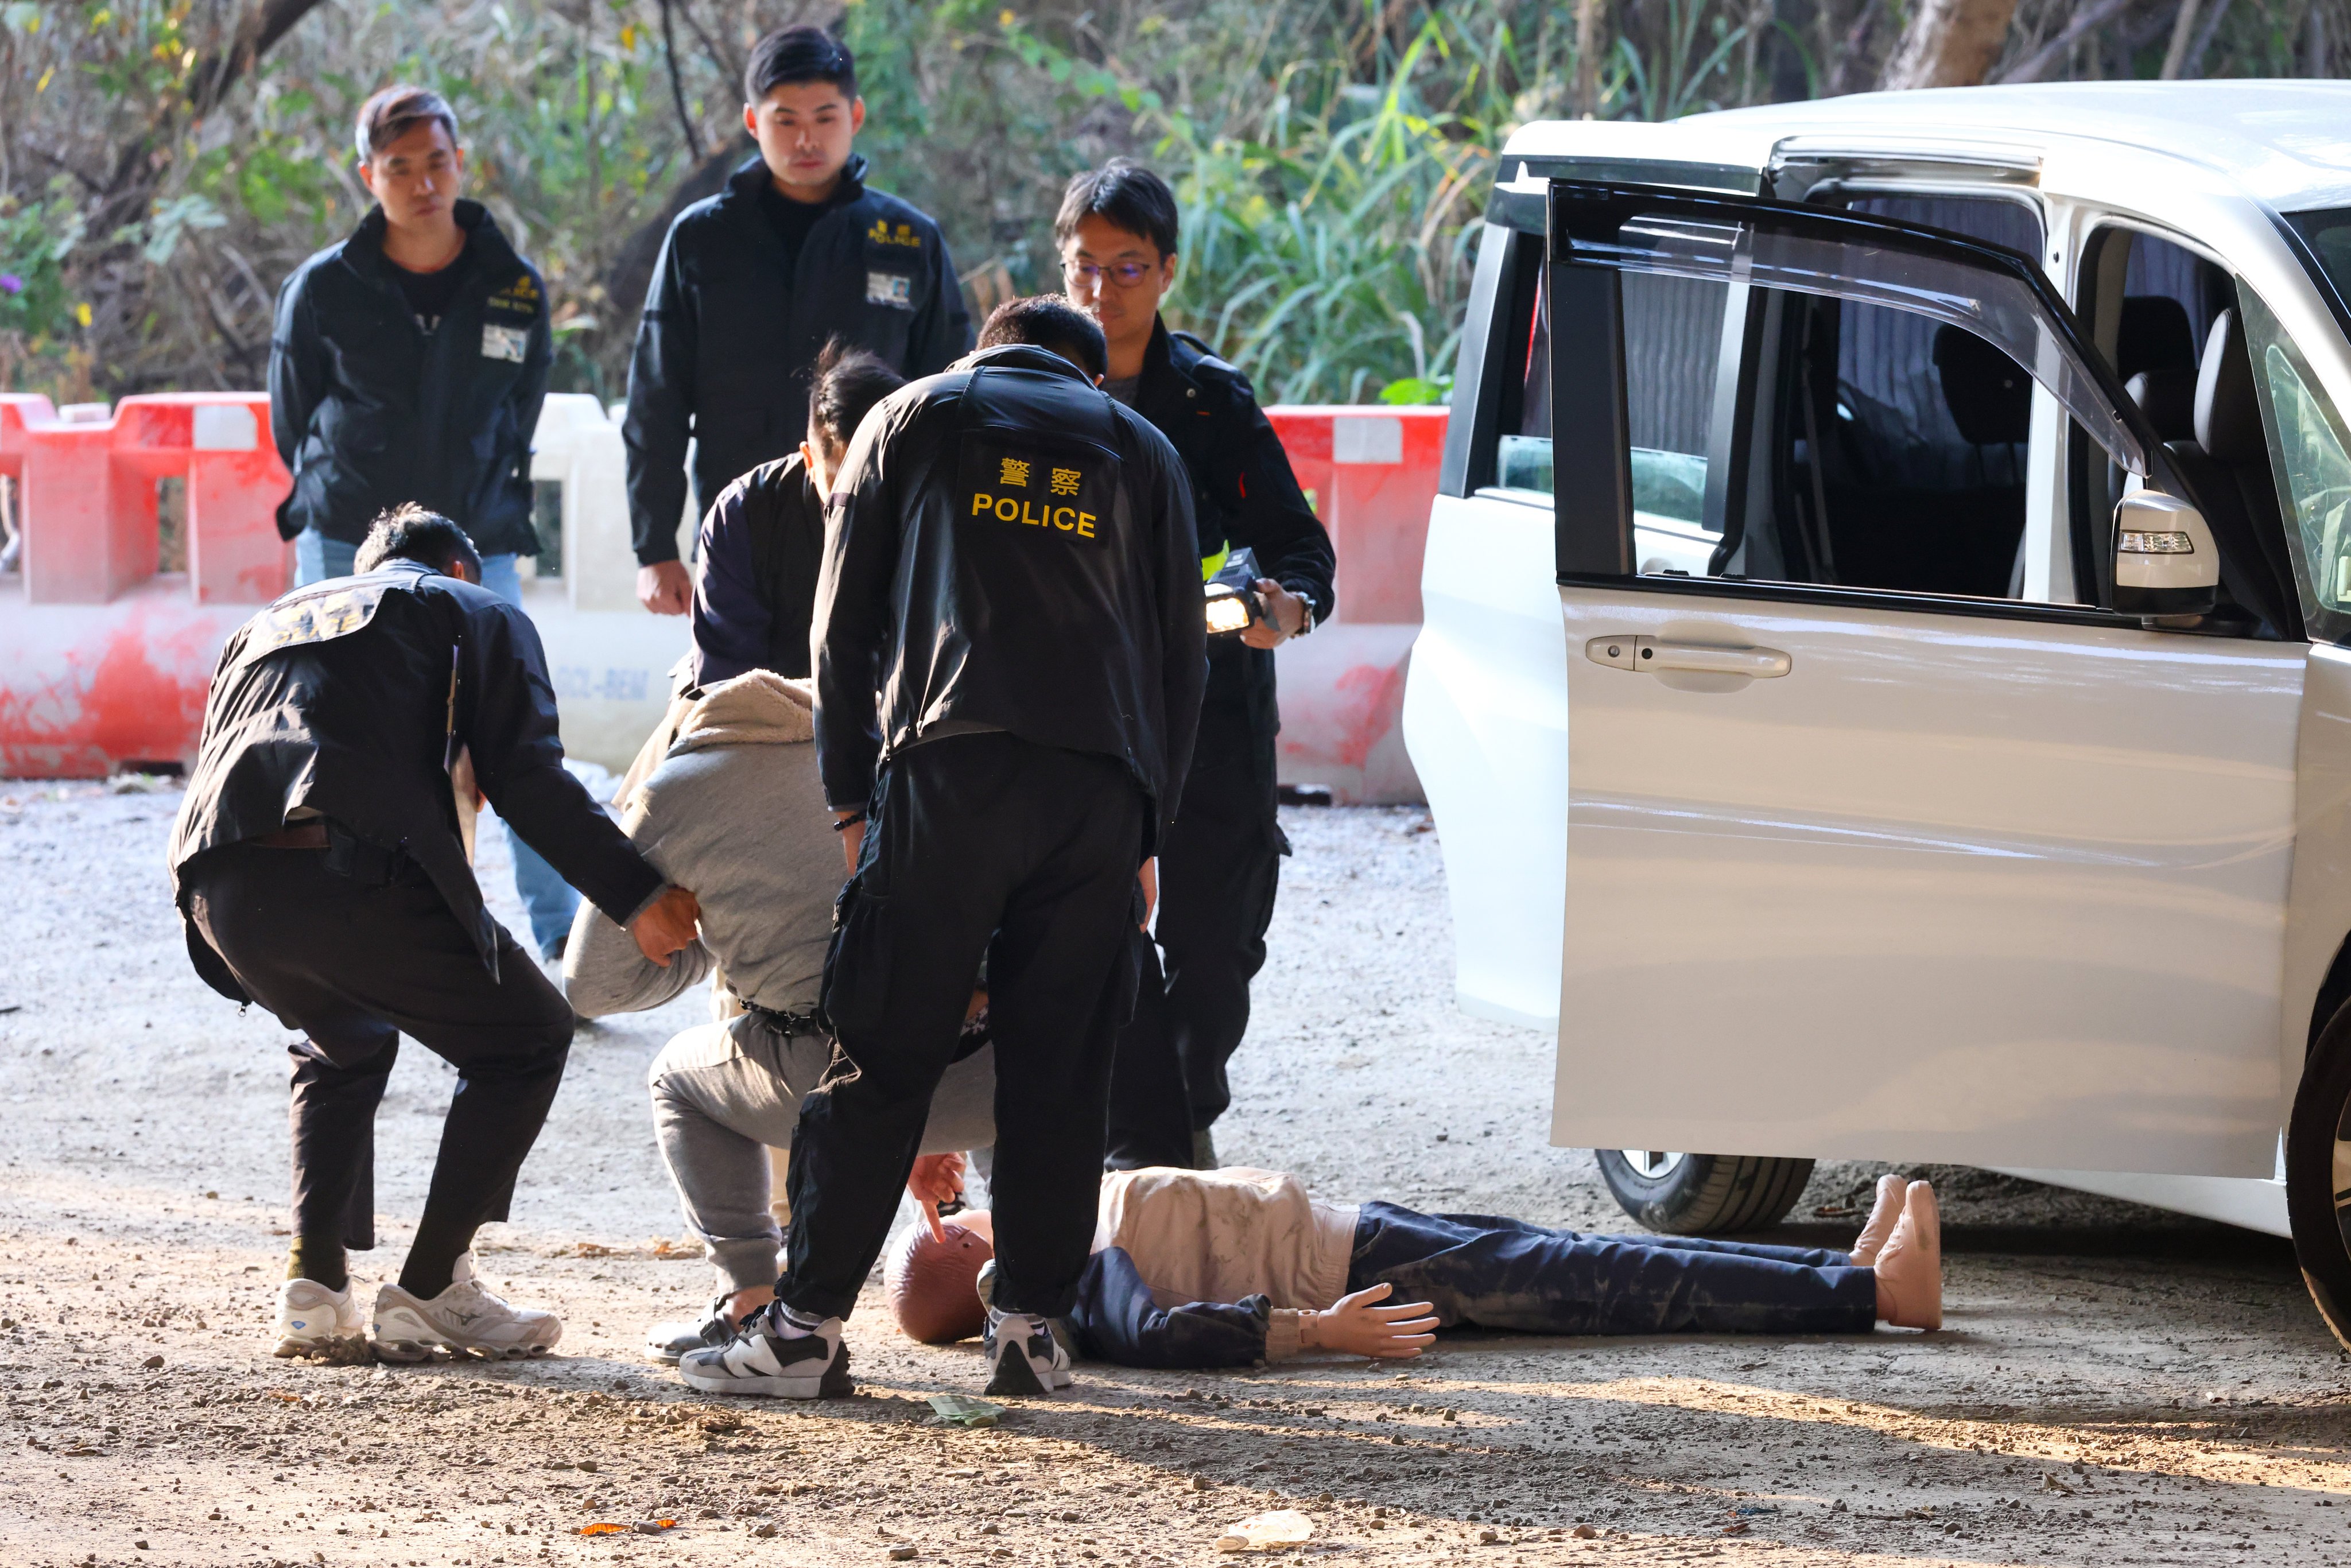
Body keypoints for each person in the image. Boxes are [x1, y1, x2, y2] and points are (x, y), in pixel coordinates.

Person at [677, 296, 1205, 1402]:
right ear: (1090, 374)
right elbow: (1180, 663)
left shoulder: (913, 417)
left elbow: (840, 629)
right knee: (1061, 1074)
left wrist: (848, 806)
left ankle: (804, 1330)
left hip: (945, 777)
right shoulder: (1143, 449)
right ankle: (1028, 1331)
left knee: (875, 1061)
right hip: (1096, 794)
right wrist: (1146, 831)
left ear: (988, 349)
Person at [168, 506, 702, 1363]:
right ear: (460, 569)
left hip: (218, 890)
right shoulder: (473, 609)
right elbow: (528, 781)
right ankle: (431, 1287)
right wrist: (638, 897)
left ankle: (314, 1286)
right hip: (346, 870)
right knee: (527, 1037)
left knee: (339, 1032)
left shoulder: (271, 621)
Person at [556, 668, 996, 1363]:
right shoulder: (902, 744)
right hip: (991, 1066)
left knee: (677, 1078)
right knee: (1036, 1038)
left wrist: (716, 933)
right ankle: (1038, 1301)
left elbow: (591, 986)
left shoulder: (675, 786)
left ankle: (752, 1298)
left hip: (833, 1066)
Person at [1057, 161, 1337, 1169]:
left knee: (1216, 946)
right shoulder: (1024, 392)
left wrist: (1282, 607)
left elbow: (1297, 545)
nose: (1103, 290)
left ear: (1167, 271)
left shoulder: (1211, 402)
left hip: (1211, 702)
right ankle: (1141, 1132)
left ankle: (1186, 1093)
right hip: (1076, 714)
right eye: (1084, 265)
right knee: (1087, 927)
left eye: (1127, 266)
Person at [269, 84, 582, 962]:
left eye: (434, 162)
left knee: (514, 731)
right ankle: (338, 936)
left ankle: (559, 937)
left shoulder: (512, 288)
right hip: (346, 539)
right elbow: (291, 418)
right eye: (398, 168)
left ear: (459, 164)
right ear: (368, 176)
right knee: (337, 732)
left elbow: (518, 415)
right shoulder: (324, 289)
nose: (419, 183)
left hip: (475, 543)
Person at [886, 1169, 1944, 1365]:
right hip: (1367, 1266)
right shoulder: (1065, 1273)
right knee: (1615, 1279)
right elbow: (1162, 1338)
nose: (966, 1204)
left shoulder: (1054, 1229)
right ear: (977, 1262)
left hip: (1362, 1227)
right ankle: (1882, 1295)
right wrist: (1317, 1331)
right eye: (954, 1220)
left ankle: (1845, 1271)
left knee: (1601, 1260)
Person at [625, 26, 971, 618]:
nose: (806, 139)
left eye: (825, 117)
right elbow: (656, 397)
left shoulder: (906, 241)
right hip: (738, 526)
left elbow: (952, 392)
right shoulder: (702, 239)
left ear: (855, 115)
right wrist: (654, 546)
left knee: (870, 706)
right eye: (785, 120)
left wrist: (946, 530)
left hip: (877, 527)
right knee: (737, 703)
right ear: (753, 122)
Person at [688, 341, 906, 686]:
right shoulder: (744, 516)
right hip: (771, 718)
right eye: (841, 482)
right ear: (808, 459)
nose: (859, 503)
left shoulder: (934, 508)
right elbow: (729, 687)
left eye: (874, 482)